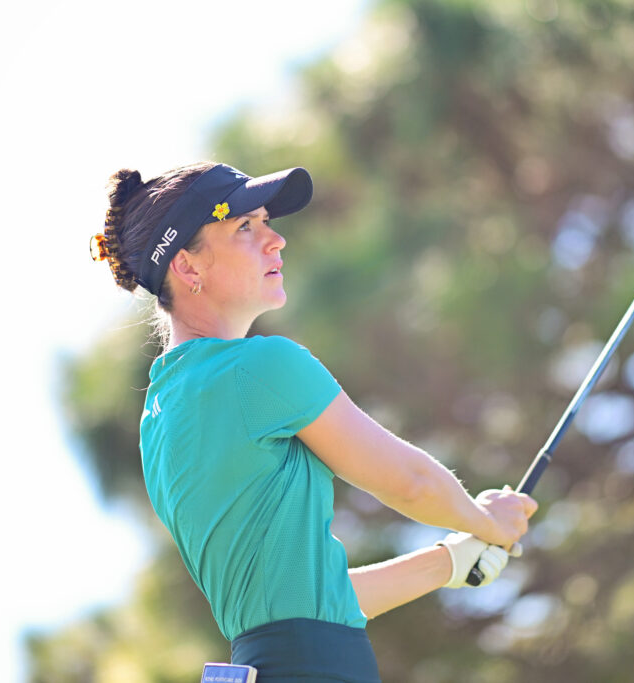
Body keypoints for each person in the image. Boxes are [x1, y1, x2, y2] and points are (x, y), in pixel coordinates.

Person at [89, 161, 538, 682]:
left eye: (266, 222)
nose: (276, 240)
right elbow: (410, 483)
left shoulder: (158, 420)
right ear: (188, 268)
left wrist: (450, 562)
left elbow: (308, 602)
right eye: (245, 227)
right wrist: (486, 521)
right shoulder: (257, 367)